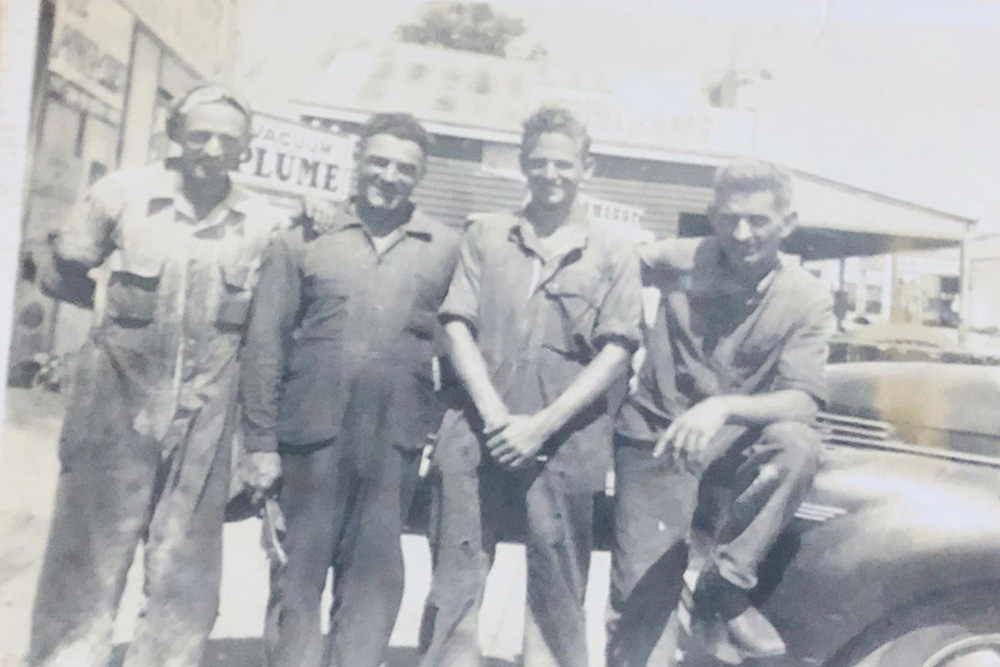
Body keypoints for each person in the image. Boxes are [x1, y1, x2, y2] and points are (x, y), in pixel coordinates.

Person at [28, 83, 283, 667]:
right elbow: (66, 268)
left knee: (184, 569)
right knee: (87, 552)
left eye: (228, 139)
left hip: (207, 414)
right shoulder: (122, 194)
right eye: (200, 135)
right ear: (176, 136)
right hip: (116, 401)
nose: (212, 148)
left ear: (246, 149)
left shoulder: (263, 223)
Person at [419, 107, 643, 667]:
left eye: (563, 163)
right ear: (523, 166)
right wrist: (496, 418)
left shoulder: (615, 248)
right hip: (476, 426)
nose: (550, 174)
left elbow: (617, 350)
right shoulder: (486, 234)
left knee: (558, 583)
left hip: (567, 434)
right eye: (537, 162)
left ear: (586, 168)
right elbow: (455, 324)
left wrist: (540, 426)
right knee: (456, 575)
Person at [238, 112, 461, 667]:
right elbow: (265, 343)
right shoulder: (304, 237)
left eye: (404, 168)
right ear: (357, 161)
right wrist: (262, 444)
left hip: (394, 443)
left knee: (374, 582)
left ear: (421, 175)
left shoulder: (445, 247)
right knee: (297, 578)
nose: (389, 175)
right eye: (379, 161)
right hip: (310, 437)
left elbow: (459, 344)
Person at [606, 160, 835, 666]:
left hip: (731, 451)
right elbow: (611, 265)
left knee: (798, 444)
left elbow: (804, 399)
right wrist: (619, 337)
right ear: (712, 215)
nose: (742, 233)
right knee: (641, 604)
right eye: (729, 218)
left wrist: (723, 406)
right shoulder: (677, 260)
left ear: (787, 223)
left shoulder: (807, 297)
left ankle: (725, 583)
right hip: (654, 441)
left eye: (758, 220)